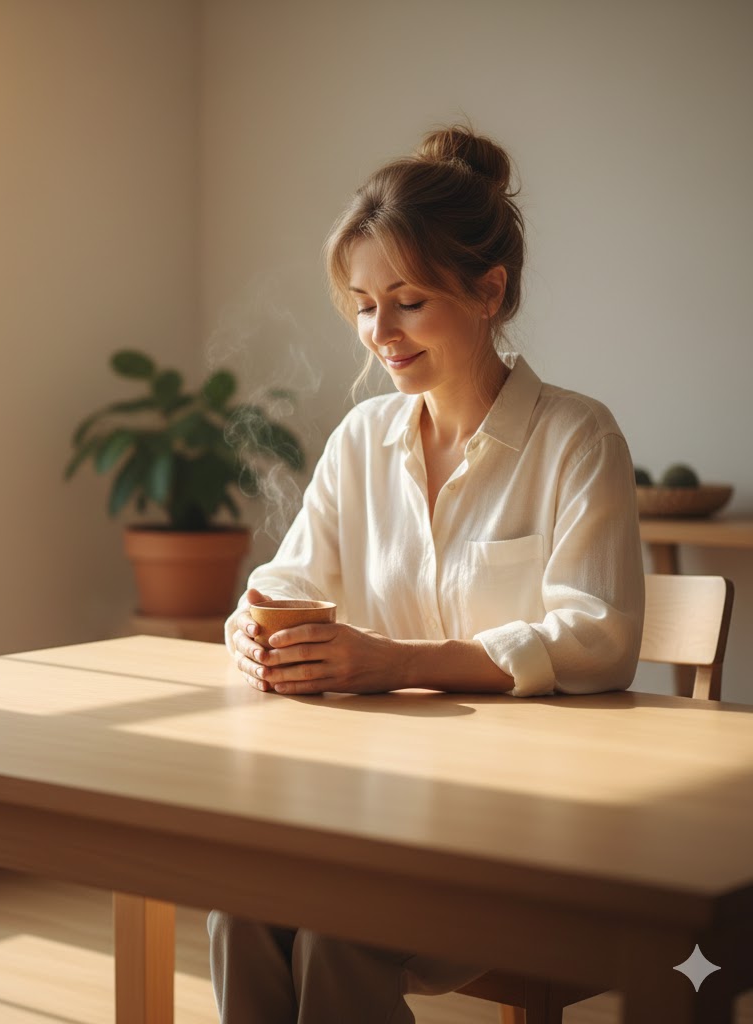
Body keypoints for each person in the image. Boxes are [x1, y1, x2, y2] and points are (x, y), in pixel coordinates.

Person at [209, 124, 645, 1023]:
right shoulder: (362, 438)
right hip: (373, 813)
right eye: (364, 306)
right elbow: (284, 584)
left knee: (337, 934)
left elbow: (598, 641)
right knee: (241, 908)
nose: (381, 334)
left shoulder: (576, 436)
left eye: (407, 302)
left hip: (528, 832)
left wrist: (396, 662)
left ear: (489, 292)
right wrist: (254, 637)